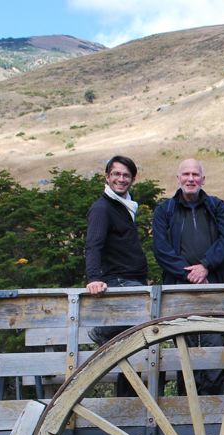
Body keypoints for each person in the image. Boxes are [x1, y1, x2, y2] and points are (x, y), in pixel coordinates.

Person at [152, 158, 224, 395]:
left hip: (213, 289)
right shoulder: (164, 210)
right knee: (183, 350)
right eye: (186, 175)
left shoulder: (216, 206)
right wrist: (188, 273)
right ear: (178, 178)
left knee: (213, 348)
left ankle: (215, 411)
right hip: (179, 292)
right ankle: (186, 412)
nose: (191, 179)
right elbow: (161, 249)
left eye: (195, 175)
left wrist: (206, 266)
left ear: (203, 179)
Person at [84, 154, 148, 397]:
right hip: (119, 281)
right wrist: (93, 278)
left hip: (131, 280)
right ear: (107, 177)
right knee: (137, 332)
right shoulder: (102, 208)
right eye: (116, 174)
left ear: (132, 179)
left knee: (132, 346)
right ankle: (102, 332)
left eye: (126, 175)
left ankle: (128, 398)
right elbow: (93, 245)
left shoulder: (125, 206)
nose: (121, 179)